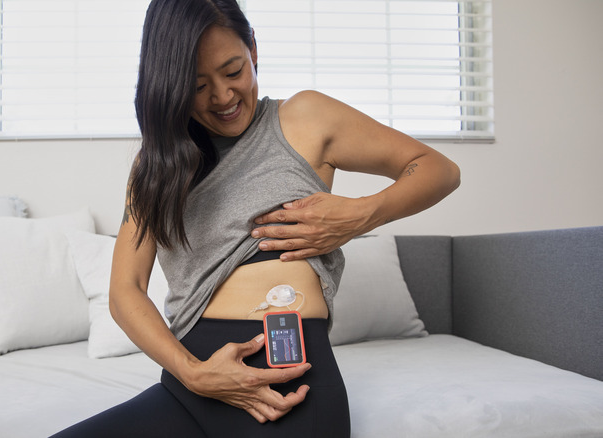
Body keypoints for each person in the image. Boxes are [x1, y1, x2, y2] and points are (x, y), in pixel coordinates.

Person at [51, 0, 460, 436]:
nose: (223, 96)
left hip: (285, 390)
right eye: (197, 85)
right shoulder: (157, 168)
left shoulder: (305, 117)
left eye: (233, 71)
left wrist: (359, 215)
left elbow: (438, 169)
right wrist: (193, 374)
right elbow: (124, 291)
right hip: (191, 387)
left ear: (254, 50)